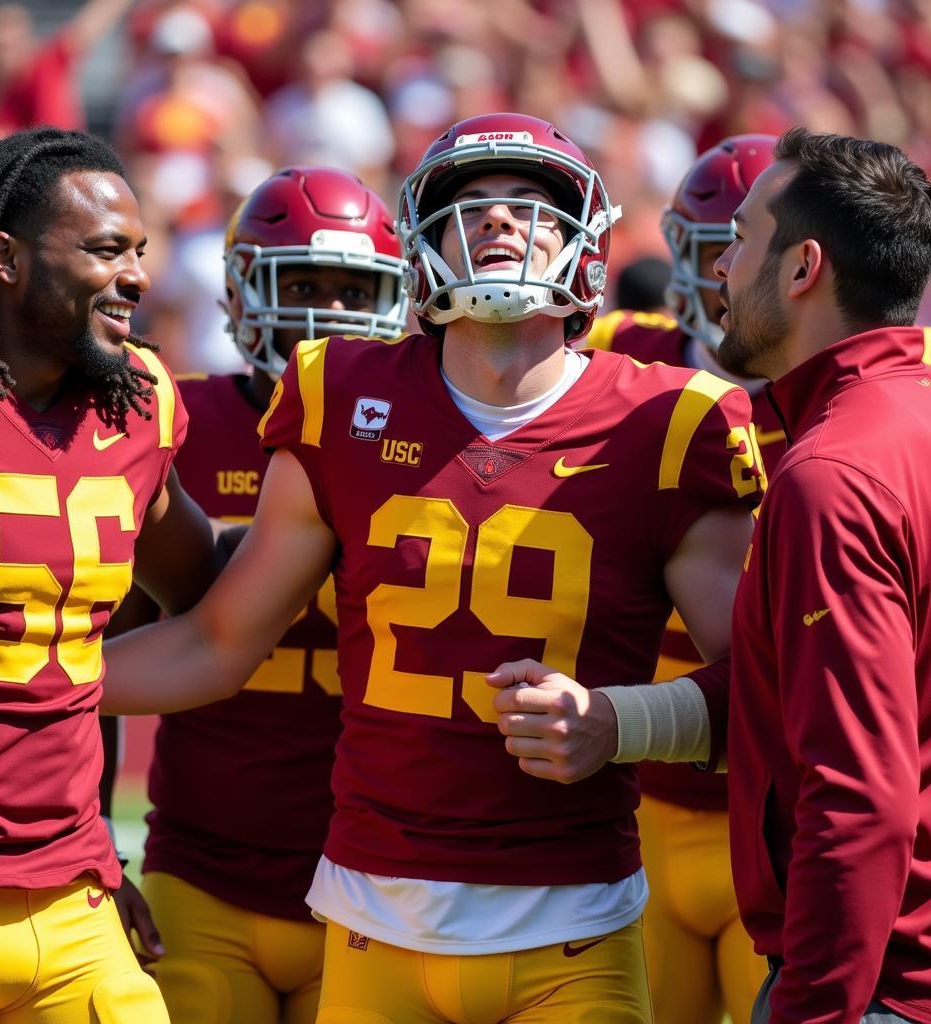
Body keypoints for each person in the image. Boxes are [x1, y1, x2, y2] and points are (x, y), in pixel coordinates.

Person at [101, 112, 762, 1024]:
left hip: (575, 921)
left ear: (583, 246)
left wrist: (620, 722)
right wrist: (17, 682)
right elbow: (216, 644)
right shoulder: (339, 393)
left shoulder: (670, 419)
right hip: (375, 916)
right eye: (471, 207)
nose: (497, 221)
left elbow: (763, 688)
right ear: (423, 242)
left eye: (528, 205)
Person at [492, 127, 931, 1024]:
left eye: (740, 242)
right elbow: (805, 691)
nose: (720, 271)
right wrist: (622, 721)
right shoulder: (896, 427)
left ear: (804, 267)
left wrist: (813, 1009)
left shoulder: (833, 472)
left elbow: (859, 790)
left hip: (876, 980)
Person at [0, 127, 220, 1022]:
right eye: (105, 250)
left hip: (74, 893)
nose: (138, 277)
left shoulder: (140, 404)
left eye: (142, 252)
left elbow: (199, 582)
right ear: (5, 257)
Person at [127, 165, 407, 1024]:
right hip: (204, 872)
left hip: (379, 880)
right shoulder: (174, 422)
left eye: (353, 289)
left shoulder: (429, 433)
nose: (325, 313)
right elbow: (104, 653)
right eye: (302, 284)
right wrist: (96, 843)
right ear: (244, 291)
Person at [583, 134, 782, 1024]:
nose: (730, 278)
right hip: (643, 796)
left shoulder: (856, 394)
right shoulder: (620, 354)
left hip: (781, 800)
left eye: (751, 254)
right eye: (714, 253)